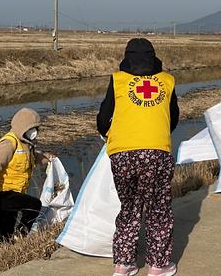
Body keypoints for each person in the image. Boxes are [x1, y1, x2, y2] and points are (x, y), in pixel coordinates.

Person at [96, 38, 180, 276]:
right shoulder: (167, 81)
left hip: (122, 153)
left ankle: (123, 264)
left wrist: (106, 134)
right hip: (156, 151)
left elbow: (104, 117)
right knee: (158, 209)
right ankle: (158, 265)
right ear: (154, 57)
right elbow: (173, 118)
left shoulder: (118, 80)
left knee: (129, 208)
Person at [0, 108, 52, 241]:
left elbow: (32, 158)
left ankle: (2, 250)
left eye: (36, 128)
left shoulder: (25, 144)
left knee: (5, 229)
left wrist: (48, 158)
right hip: (2, 193)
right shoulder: (8, 144)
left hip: (14, 192)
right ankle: (20, 237)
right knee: (34, 205)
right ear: (22, 127)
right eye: (32, 128)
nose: (34, 132)